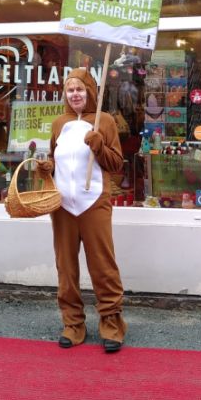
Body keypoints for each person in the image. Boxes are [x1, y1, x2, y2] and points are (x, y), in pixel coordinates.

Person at [37, 68, 128, 353]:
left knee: (103, 265)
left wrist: (100, 146)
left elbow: (117, 166)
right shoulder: (58, 123)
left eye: (80, 89)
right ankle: (72, 322)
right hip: (62, 206)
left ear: (90, 91)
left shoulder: (105, 121)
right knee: (65, 266)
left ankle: (112, 322)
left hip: (94, 202)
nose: (75, 94)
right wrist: (46, 169)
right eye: (70, 90)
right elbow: (54, 158)